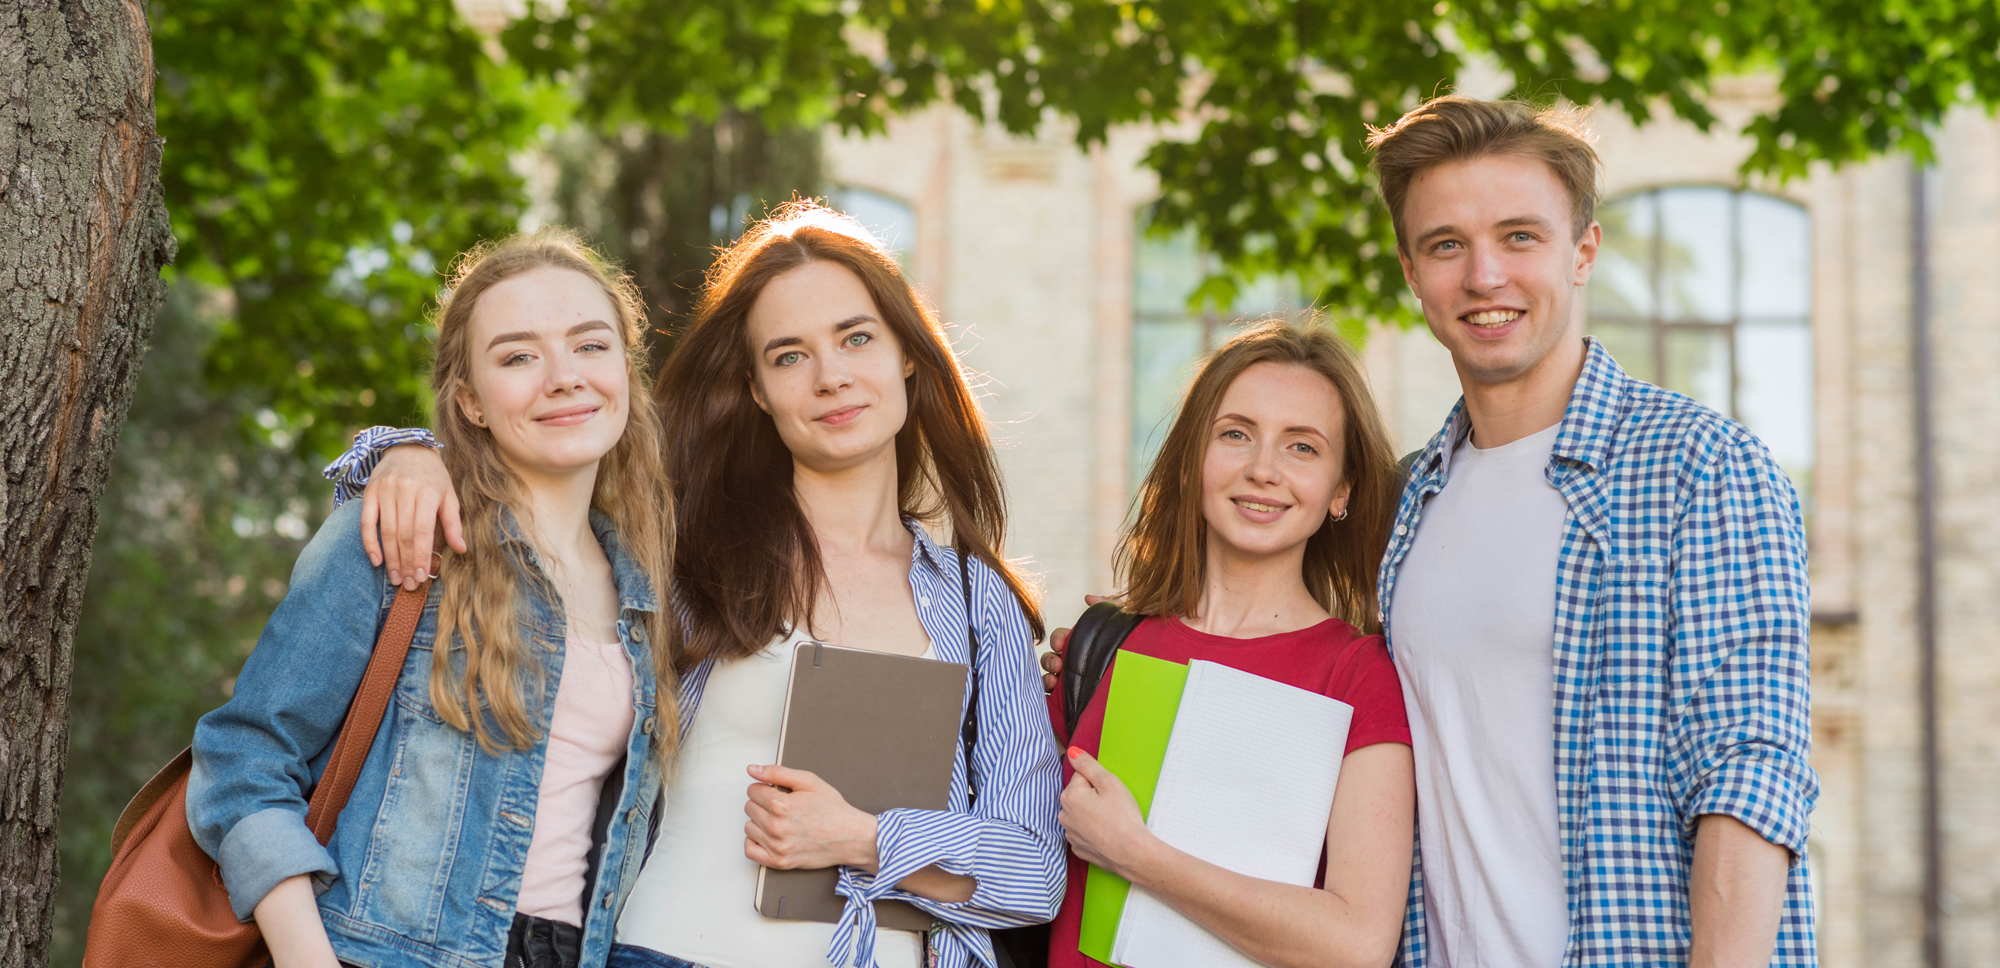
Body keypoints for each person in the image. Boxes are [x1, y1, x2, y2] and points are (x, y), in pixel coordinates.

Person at [1046, 95, 1817, 968]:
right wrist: (1121, 641)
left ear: (1583, 253)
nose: (1484, 276)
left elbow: (1748, 773)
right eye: (1447, 245)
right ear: (1413, 273)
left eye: (1520, 236)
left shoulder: (1699, 468)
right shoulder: (1413, 498)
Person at [327, 201, 1065, 968]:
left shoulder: (979, 608)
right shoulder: (675, 551)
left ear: (906, 354)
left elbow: (1036, 873)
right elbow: (513, 489)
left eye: (856, 338)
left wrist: (864, 839)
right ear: (753, 389)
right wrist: (407, 452)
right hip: (663, 951)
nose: (831, 377)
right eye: (789, 356)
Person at [187, 230, 680, 968]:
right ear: (471, 403)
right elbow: (244, 760)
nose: (564, 377)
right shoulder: (401, 538)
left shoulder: (644, 583)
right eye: (518, 356)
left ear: (627, 372)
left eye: (590, 345)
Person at [1048, 321, 1415, 968]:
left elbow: (1357, 944)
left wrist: (1139, 856)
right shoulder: (1097, 651)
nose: (1263, 470)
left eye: (1302, 447)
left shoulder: (1359, 677)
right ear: (1192, 460)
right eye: (1236, 435)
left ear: (1342, 491)